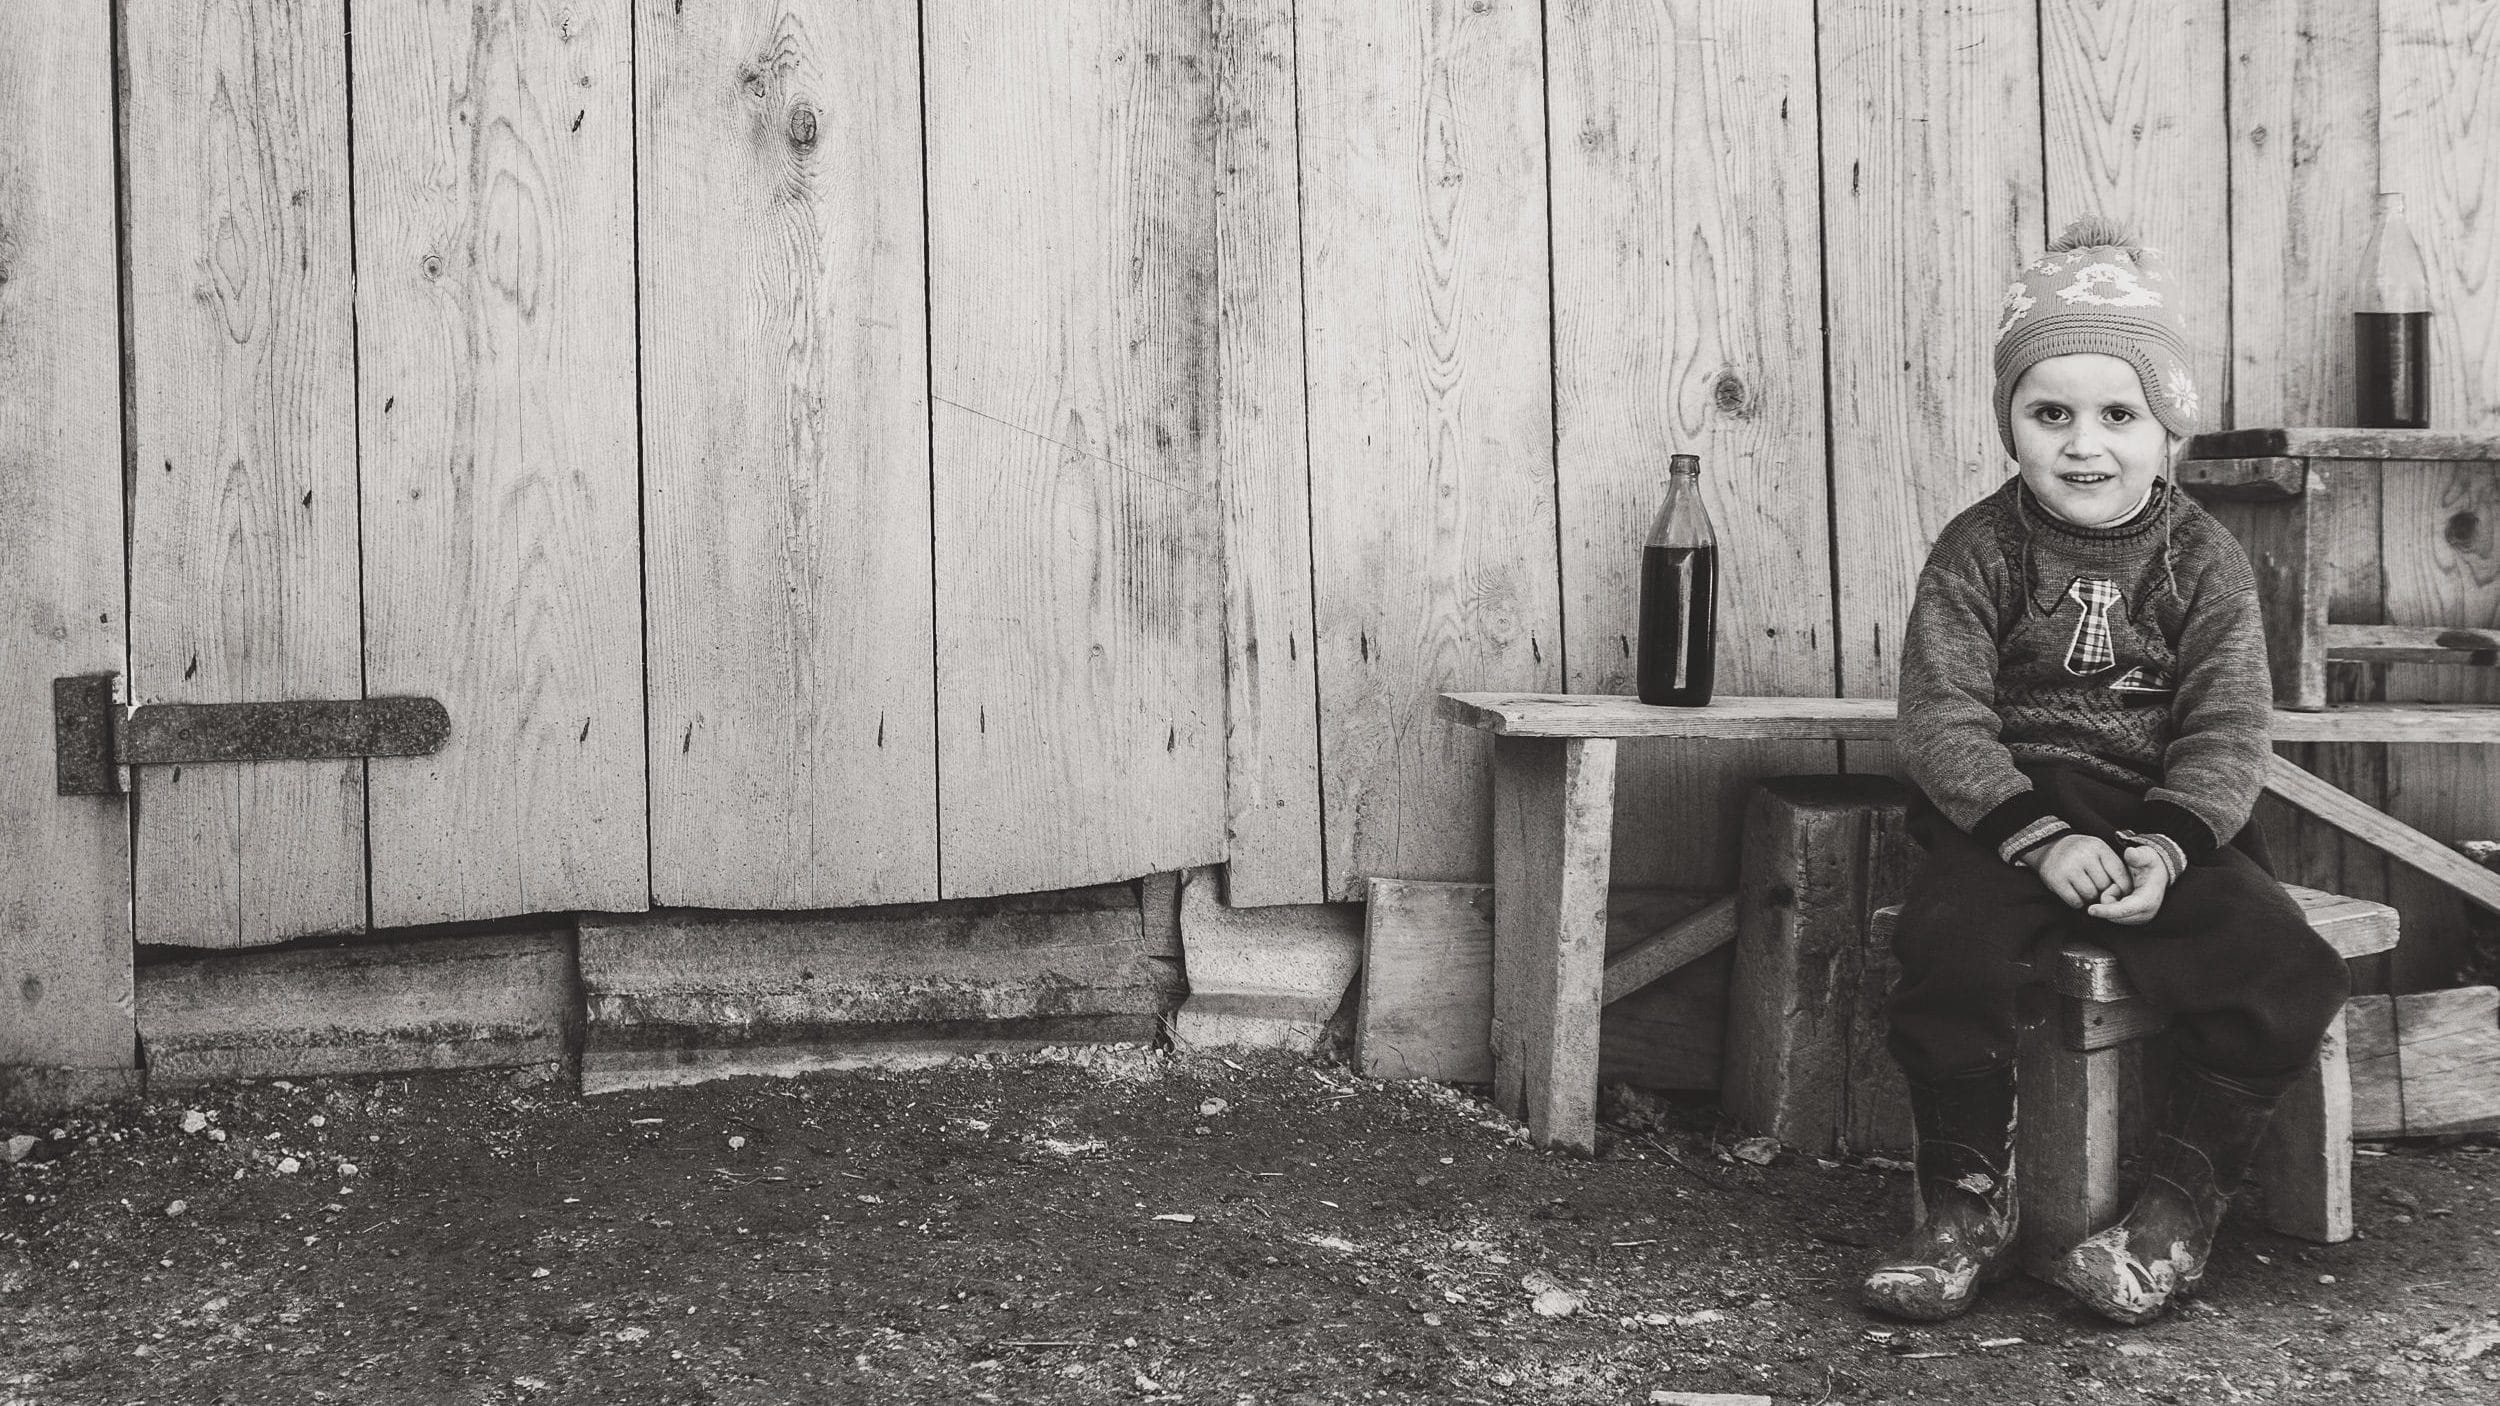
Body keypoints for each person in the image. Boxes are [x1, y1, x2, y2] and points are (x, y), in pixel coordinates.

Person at [1858, 217, 2351, 1326]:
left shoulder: (2203, 560)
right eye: (2050, 414)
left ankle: (2170, 1218)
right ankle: (1961, 1212)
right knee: (1946, 947)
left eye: (2118, 414)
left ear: (2166, 424)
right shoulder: (1979, 550)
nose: (2085, 444)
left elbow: (2227, 728)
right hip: (2010, 811)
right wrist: (2040, 836)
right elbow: (1940, 721)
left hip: (2158, 817)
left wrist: (2166, 848)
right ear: (2011, 426)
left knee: (2283, 971)